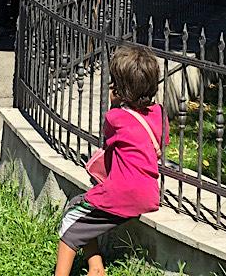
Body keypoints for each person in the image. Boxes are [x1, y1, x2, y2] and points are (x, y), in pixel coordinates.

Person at [55, 46, 167, 276]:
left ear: (119, 87)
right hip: (148, 193)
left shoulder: (116, 118)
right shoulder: (159, 113)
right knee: (80, 207)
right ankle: (96, 268)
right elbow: (161, 140)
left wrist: (116, 104)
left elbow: (110, 140)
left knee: (69, 223)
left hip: (122, 194)